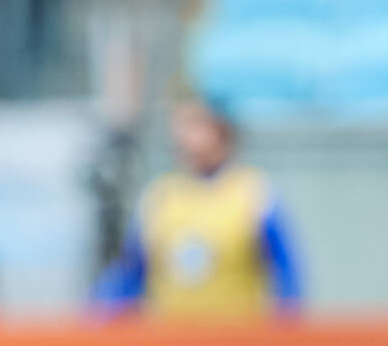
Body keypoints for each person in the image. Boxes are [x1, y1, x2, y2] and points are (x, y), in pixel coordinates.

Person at [92, 96, 304, 320]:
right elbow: (129, 273)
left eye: (196, 125)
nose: (184, 136)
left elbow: (288, 275)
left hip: (236, 344)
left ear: (222, 131)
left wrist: (287, 333)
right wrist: (98, 314)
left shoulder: (255, 194)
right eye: (181, 125)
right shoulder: (160, 197)